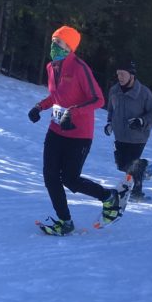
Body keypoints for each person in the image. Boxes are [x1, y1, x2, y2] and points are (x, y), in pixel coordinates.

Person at [28, 25, 123, 235]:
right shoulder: (51, 67)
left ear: (69, 47)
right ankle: (65, 221)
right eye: (53, 41)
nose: (54, 45)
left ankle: (109, 197)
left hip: (79, 134)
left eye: (59, 42)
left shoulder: (80, 68)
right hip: (56, 129)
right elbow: (56, 96)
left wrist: (74, 112)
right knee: (50, 176)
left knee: (70, 179)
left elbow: (98, 99)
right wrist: (39, 107)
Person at [103, 57, 152, 199]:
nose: (120, 77)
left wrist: (141, 121)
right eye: (118, 74)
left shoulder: (144, 93)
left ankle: (137, 193)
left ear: (132, 75)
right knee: (122, 165)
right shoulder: (114, 91)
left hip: (138, 136)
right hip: (120, 135)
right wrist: (109, 123)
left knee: (133, 164)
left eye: (123, 74)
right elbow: (111, 110)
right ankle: (143, 169)